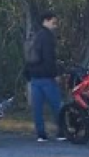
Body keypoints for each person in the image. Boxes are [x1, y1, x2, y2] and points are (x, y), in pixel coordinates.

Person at [25, 11, 65, 142]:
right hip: (47, 77)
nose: (55, 25)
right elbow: (49, 58)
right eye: (53, 22)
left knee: (37, 108)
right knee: (57, 105)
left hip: (34, 76)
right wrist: (55, 74)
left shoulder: (35, 35)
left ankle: (41, 134)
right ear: (46, 21)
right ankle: (61, 131)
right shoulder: (47, 37)